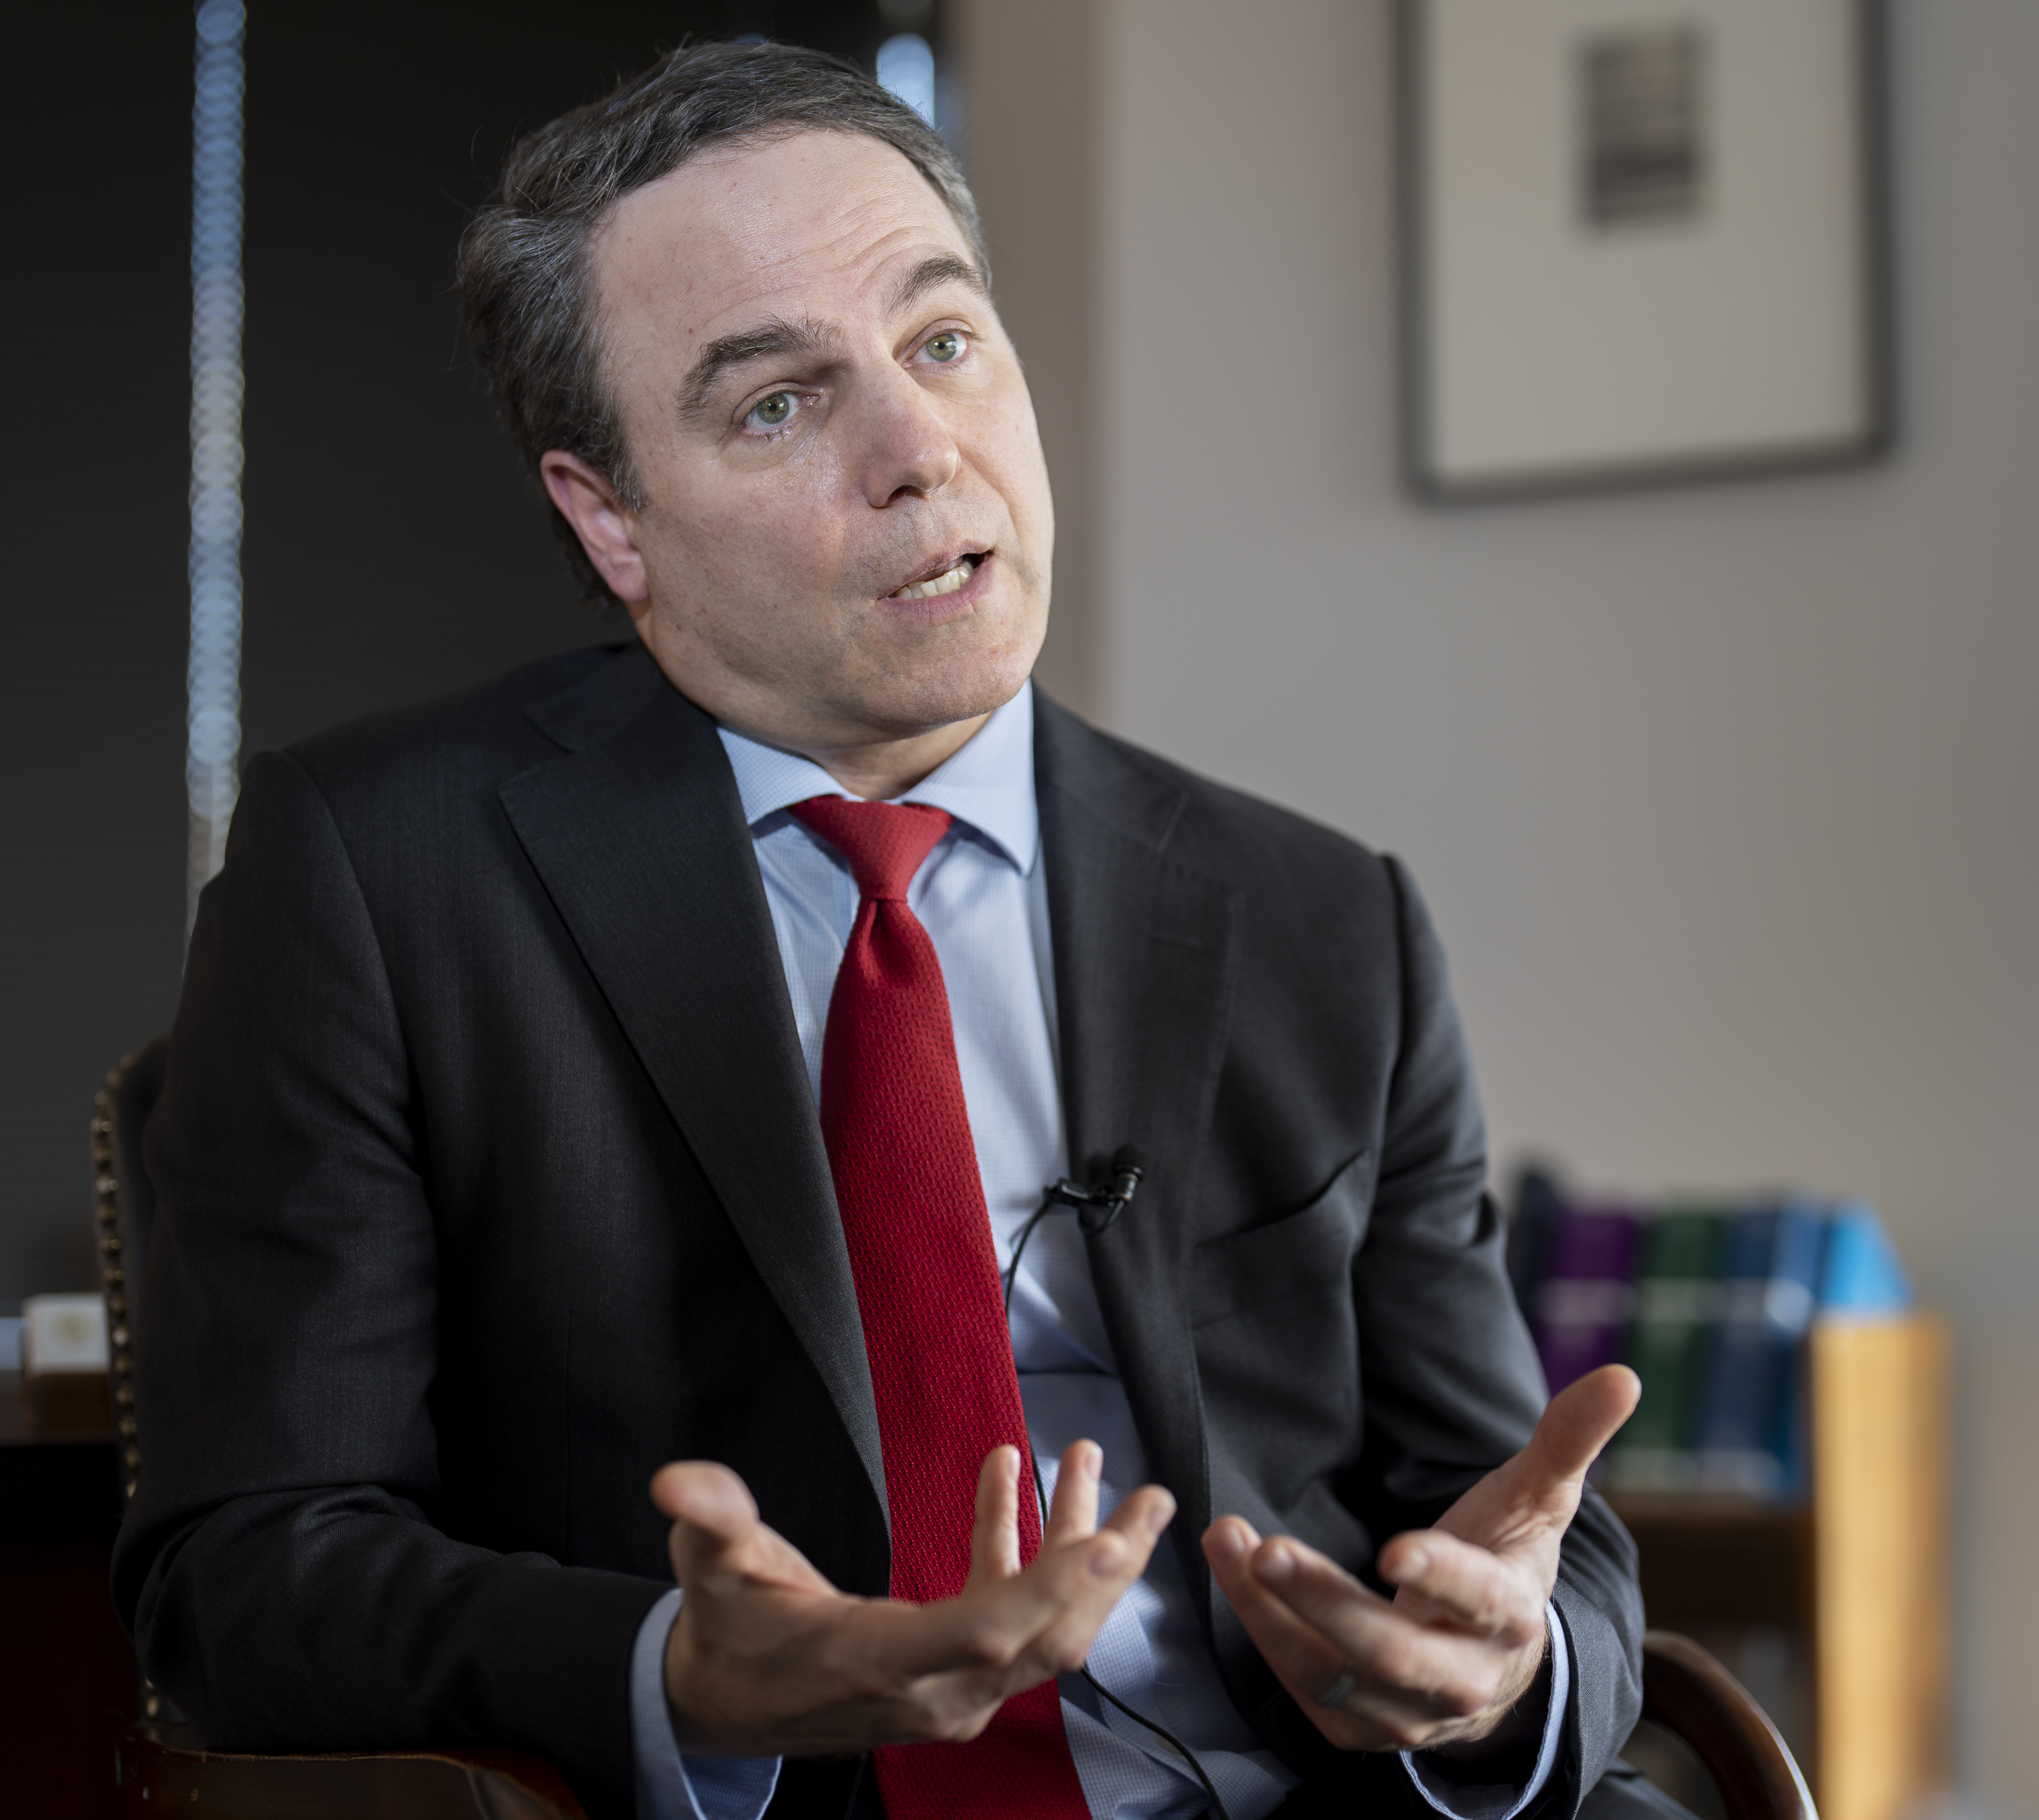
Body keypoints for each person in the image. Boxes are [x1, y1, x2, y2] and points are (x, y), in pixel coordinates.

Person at [115, 40, 1683, 1820]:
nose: (919, 450)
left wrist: (1505, 1665)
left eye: (944, 344)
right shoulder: (380, 877)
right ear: (609, 517)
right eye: (777, 404)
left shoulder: (1324, 922)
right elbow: (243, 1575)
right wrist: (672, 1673)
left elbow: (1517, 1512)